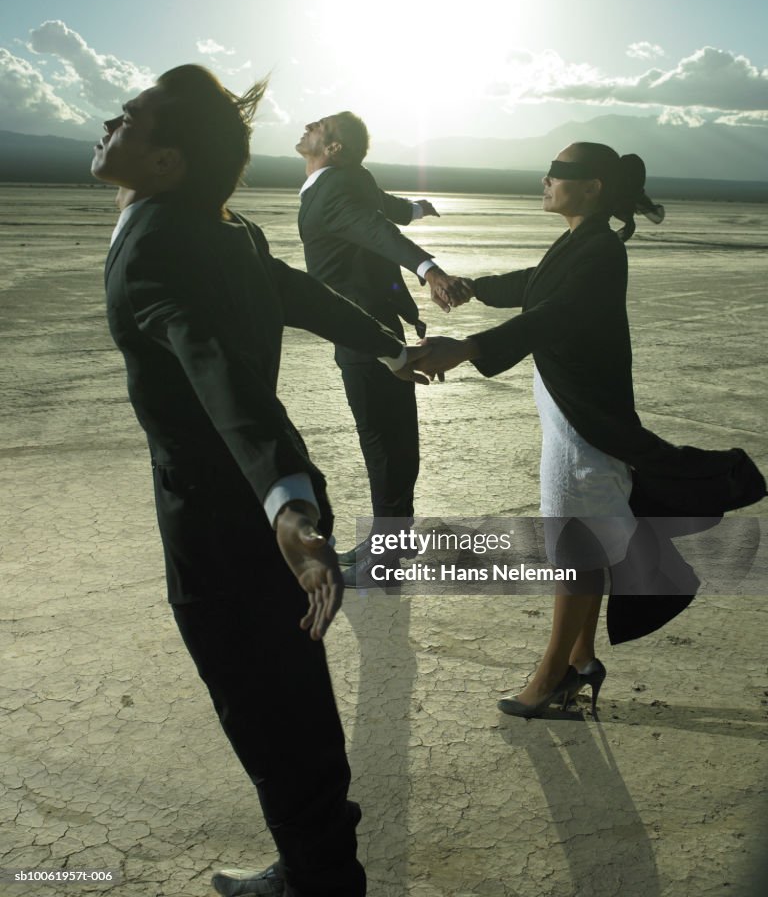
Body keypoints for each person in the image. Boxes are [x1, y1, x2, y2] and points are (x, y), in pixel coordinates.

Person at [95, 65, 428, 897]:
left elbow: (219, 377)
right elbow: (296, 293)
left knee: (260, 704)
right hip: (260, 507)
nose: (111, 122)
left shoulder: (158, 249)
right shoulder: (226, 227)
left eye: (130, 119)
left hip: (219, 517)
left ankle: (317, 881)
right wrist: (386, 345)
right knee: (294, 695)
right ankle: (319, 868)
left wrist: (287, 505)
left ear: (168, 162)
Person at [411, 142, 765, 718]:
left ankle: (553, 674)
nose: (545, 180)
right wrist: (475, 287)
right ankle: (579, 659)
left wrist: (469, 347)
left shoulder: (600, 251)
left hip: (584, 429)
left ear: (593, 186)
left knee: (574, 547)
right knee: (585, 540)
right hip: (570, 417)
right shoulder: (582, 243)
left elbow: (554, 314)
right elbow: (536, 284)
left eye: (560, 173)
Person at [296, 112, 470, 585]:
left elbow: (377, 231)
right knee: (390, 435)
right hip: (366, 326)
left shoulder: (333, 188)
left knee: (384, 440)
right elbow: (387, 210)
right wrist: (416, 207)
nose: (309, 125)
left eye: (320, 126)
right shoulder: (349, 179)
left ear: (333, 149)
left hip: (363, 331)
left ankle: (388, 555)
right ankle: (388, 538)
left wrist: (428, 269)